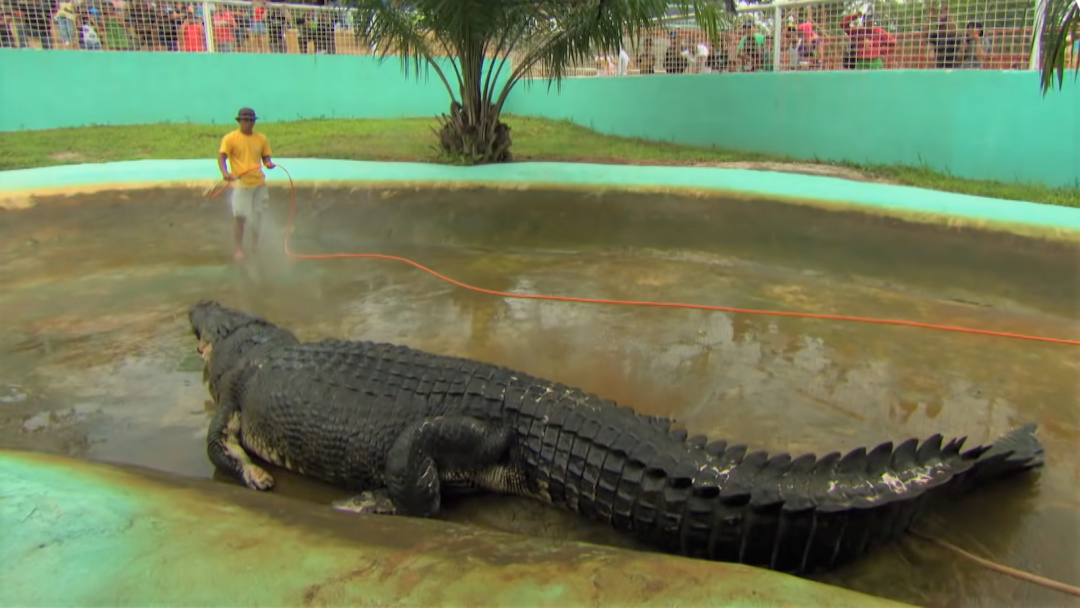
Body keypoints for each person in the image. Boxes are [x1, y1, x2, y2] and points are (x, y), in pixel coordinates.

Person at [218, 107, 275, 261]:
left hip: (259, 183)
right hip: (241, 184)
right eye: (246, 120)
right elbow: (222, 157)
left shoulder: (261, 138)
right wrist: (225, 173)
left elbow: (266, 157)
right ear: (239, 121)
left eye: (251, 120)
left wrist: (269, 163)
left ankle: (255, 243)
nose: (249, 123)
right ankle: (238, 249)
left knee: (258, 214)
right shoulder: (230, 138)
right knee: (240, 217)